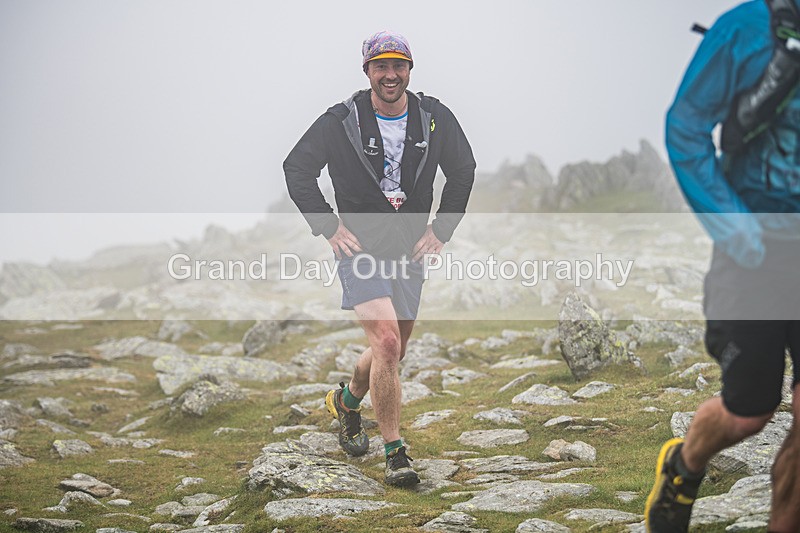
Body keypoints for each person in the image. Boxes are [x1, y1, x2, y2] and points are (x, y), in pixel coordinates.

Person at [284, 30, 475, 487]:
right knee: (387, 344)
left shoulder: (434, 117)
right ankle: (396, 453)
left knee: (393, 349)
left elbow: (463, 171)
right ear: (366, 71)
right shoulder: (340, 120)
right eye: (380, 66)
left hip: (409, 250)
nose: (390, 75)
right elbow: (297, 168)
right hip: (361, 250)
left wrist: (440, 230)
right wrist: (329, 227)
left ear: (410, 69)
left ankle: (347, 403)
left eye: (398, 66)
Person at [646, 0, 800, 531]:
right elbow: (686, 128)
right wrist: (737, 229)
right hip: (754, 250)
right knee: (748, 412)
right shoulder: (746, 30)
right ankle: (685, 464)